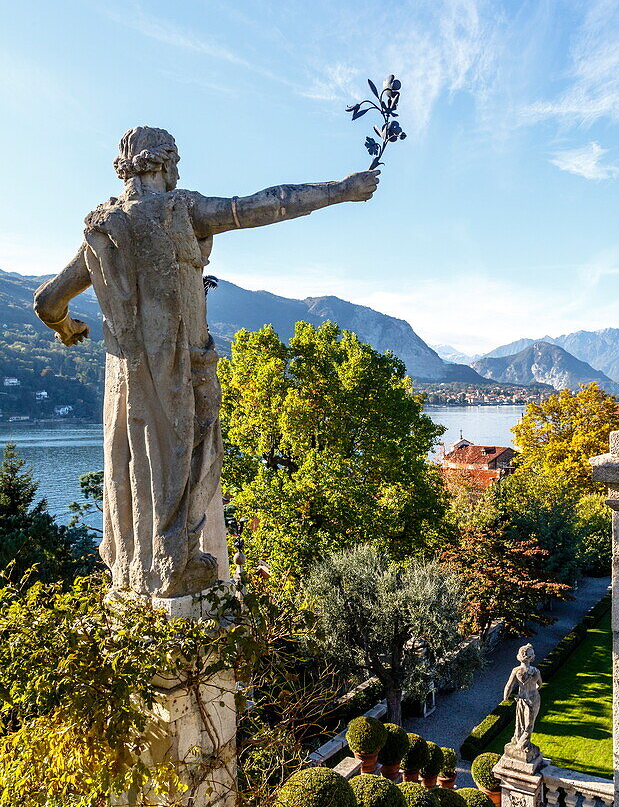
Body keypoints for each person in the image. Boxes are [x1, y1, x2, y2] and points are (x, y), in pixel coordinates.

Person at [34, 126, 379, 598]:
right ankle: (173, 563)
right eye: (175, 159)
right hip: (181, 369)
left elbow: (47, 301)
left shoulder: (101, 228)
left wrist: (67, 328)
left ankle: (140, 568)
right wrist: (339, 191)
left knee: (132, 467)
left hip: (126, 381)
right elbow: (263, 205)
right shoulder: (179, 209)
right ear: (160, 161)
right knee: (190, 458)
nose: (178, 169)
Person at [503, 643, 542, 751]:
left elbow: (508, 686)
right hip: (533, 698)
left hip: (522, 699)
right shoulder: (536, 671)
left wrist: (505, 697)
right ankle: (522, 744)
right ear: (532, 658)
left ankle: (518, 739)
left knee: (520, 722)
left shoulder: (516, 671)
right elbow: (540, 684)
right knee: (529, 724)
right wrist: (534, 688)